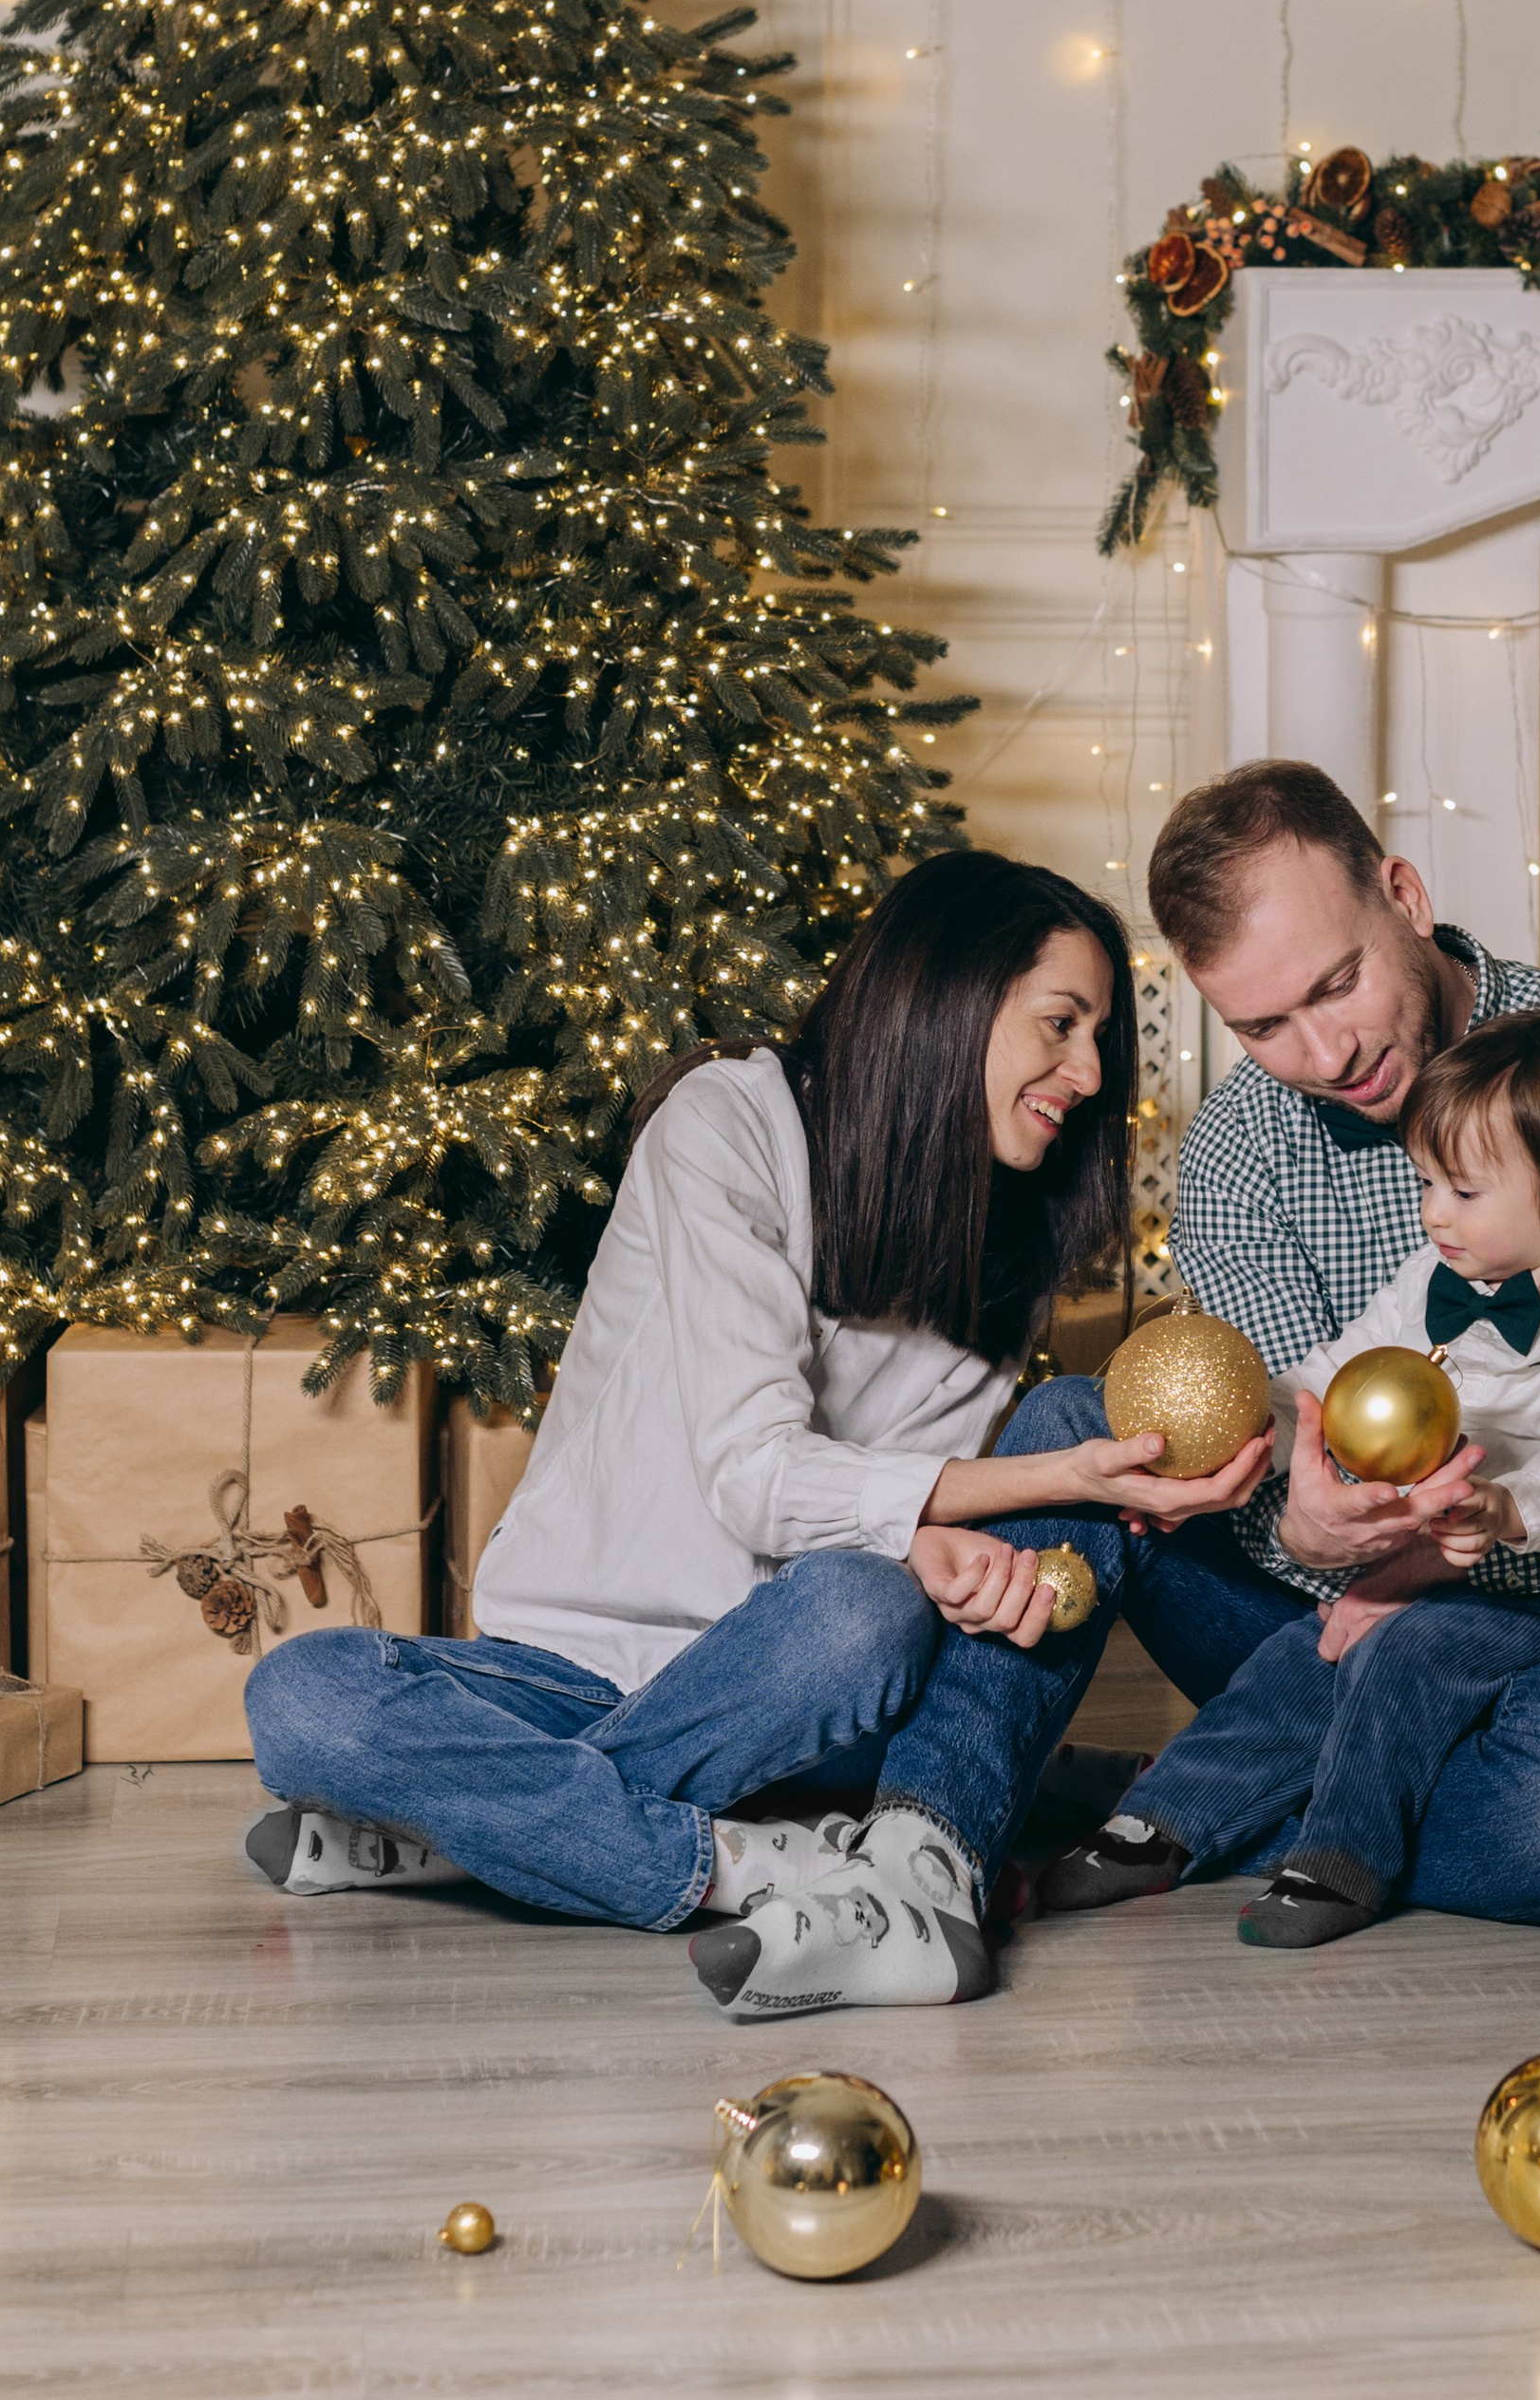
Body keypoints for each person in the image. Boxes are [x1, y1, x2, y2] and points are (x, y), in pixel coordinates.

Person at [714, 758, 1540, 2001]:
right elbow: (1275, 1421)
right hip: (1317, 1628)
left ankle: (1211, 1803)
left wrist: (1452, 1556)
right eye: (1266, 1026)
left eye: (1337, 984)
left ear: (1404, 896)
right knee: (1072, 1421)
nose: (1328, 1052)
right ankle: (926, 1853)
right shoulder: (1239, 1149)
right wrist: (1300, 1524)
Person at [237, 850, 1270, 2005]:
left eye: (1100, 1038)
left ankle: (473, 1833)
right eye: (1061, 1024)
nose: (1089, 1072)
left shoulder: (1004, 1242)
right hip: (567, 1669)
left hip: (793, 1687)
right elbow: (757, 1477)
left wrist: (940, 1547)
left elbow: (873, 1558)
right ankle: (731, 1861)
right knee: (303, 1695)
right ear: (949, 995)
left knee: (861, 1611)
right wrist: (1046, 1477)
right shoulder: (728, 1120)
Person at [1038, 1007, 1540, 1947]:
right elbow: (1334, 1373)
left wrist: (1506, 1507)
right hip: (1408, 1572)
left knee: (1397, 1655)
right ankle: (1159, 1822)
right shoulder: (1429, 1276)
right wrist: (1259, 1431)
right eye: (1426, 1183)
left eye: (1463, 1190)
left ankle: (1341, 1857)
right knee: (1306, 1654)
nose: (1434, 1213)